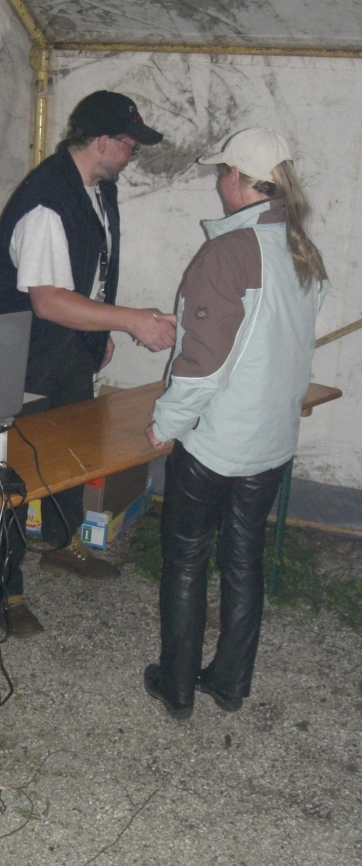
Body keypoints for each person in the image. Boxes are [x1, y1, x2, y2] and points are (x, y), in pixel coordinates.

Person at [0, 91, 175, 637]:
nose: (132, 156)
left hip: (62, 347)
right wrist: (130, 321)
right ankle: (2, 589)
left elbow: (93, 271)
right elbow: (49, 301)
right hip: (13, 355)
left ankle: (62, 543)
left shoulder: (99, 189)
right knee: (7, 473)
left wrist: (98, 331)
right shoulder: (47, 201)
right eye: (129, 145)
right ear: (101, 141)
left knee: (73, 452)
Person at [144, 128, 328, 720]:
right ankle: (229, 683)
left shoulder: (229, 252)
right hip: (271, 441)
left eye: (222, 172)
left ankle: (176, 687)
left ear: (236, 179)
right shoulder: (300, 248)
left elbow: (203, 364)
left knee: (187, 560)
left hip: (218, 442)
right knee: (244, 559)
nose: (219, 183)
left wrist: (166, 423)